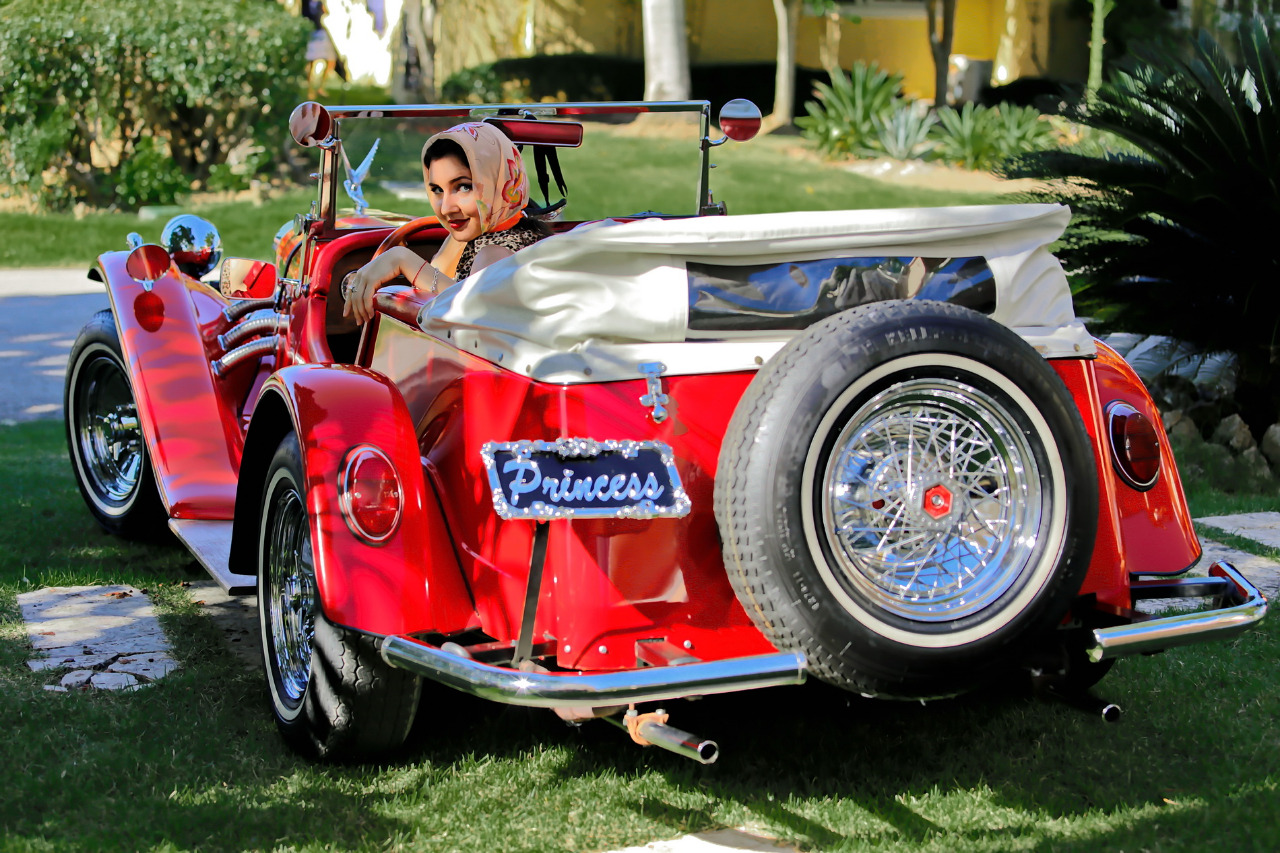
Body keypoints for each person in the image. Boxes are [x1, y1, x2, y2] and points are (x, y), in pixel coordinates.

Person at [342, 121, 550, 326]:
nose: (446, 209)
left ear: (498, 181)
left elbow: (471, 321)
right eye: (437, 190)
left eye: (464, 187)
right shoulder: (513, 232)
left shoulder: (495, 254)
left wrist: (401, 259)